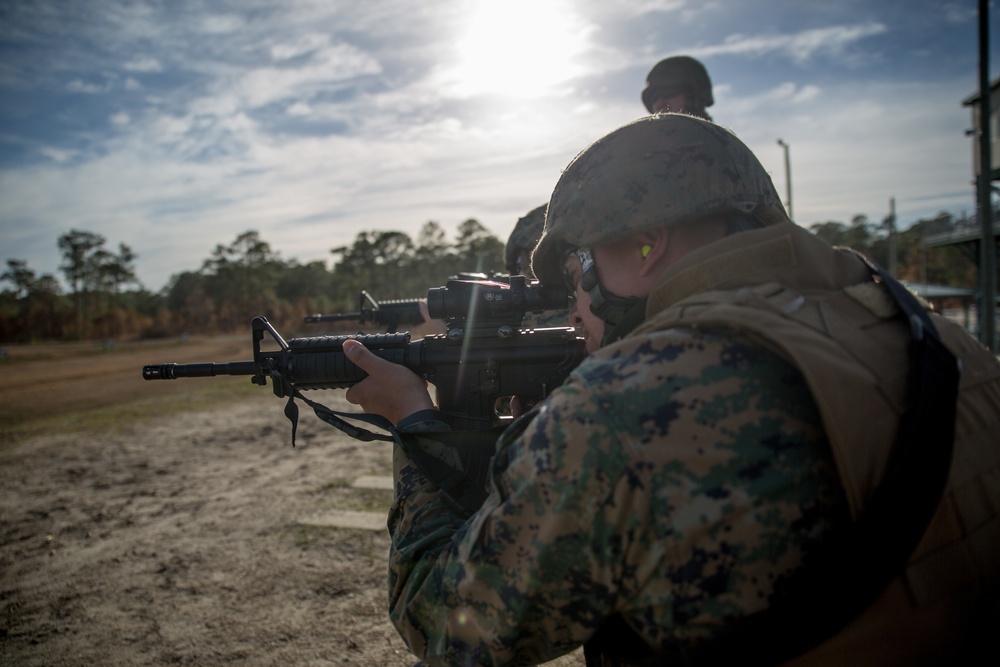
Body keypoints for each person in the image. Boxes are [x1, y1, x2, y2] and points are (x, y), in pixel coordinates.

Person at [341, 114, 1000, 666]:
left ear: (648, 243)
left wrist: (412, 420)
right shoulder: (937, 337)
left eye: (577, 268)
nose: (574, 303)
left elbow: (447, 623)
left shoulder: (616, 410)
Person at [641, 55, 713, 119]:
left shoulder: (715, 134)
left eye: (667, 93)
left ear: (694, 98)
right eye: (654, 98)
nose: (659, 103)